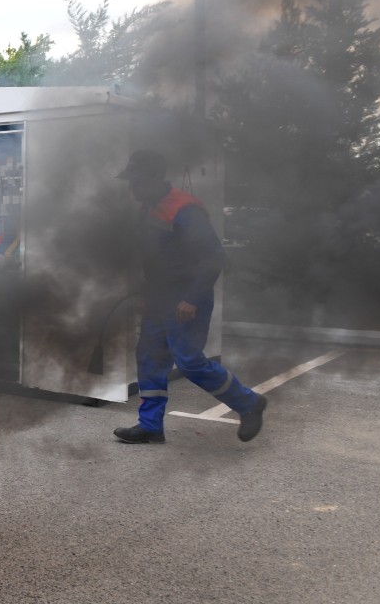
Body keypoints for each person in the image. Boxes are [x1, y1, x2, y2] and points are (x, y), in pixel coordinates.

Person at [113, 149, 267, 444]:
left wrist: (193, 298)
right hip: (159, 299)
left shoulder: (185, 209)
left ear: (155, 178)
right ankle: (150, 426)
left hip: (186, 299)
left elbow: (213, 257)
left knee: (190, 363)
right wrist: (146, 295)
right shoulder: (146, 208)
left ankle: (250, 403)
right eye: (130, 181)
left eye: (137, 181)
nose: (132, 187)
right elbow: (155, 261)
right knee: (149, 357)